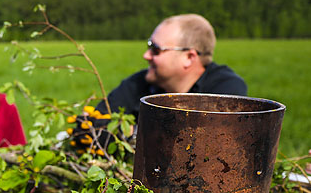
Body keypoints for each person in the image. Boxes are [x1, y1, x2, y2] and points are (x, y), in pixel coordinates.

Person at [101, 14, 247, 120]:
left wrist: (131, 134)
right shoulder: (138, 83)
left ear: (189, 57)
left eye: (156, 50)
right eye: (148, 46)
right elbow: (92, 125)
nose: (146, 55)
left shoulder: (226, 90)